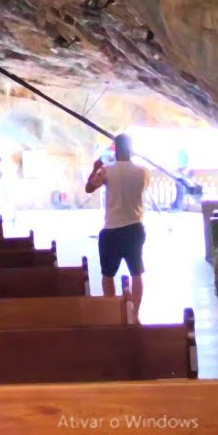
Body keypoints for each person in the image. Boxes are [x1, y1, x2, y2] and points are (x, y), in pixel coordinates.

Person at [85, 133, 149, 320]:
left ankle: (113, 311)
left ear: (115, 148)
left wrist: (96, 167)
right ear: (131, 149)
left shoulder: (106, 170)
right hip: (135, 227)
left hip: (111, 229)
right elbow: (141, 189)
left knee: (107, 275)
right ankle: (135, 312)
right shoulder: (142, 171)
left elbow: (89, 188)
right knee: (137, 272)